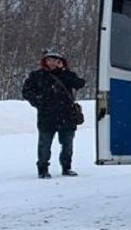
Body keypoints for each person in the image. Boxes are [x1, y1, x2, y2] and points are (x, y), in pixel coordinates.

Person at [22, 47, 85, 179]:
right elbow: (26, 91)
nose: (52, 62)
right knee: (45, 144)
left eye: (55, 59)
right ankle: (43, 169)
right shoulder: (37, 76)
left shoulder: (67, 75)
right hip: (47, 115)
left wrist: (64, 72)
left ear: (60, 61)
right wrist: (38, 102)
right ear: (44, 61)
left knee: (67, 144)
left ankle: (66, 167)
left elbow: (80, 84)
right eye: (49, 59)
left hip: (66, 115)